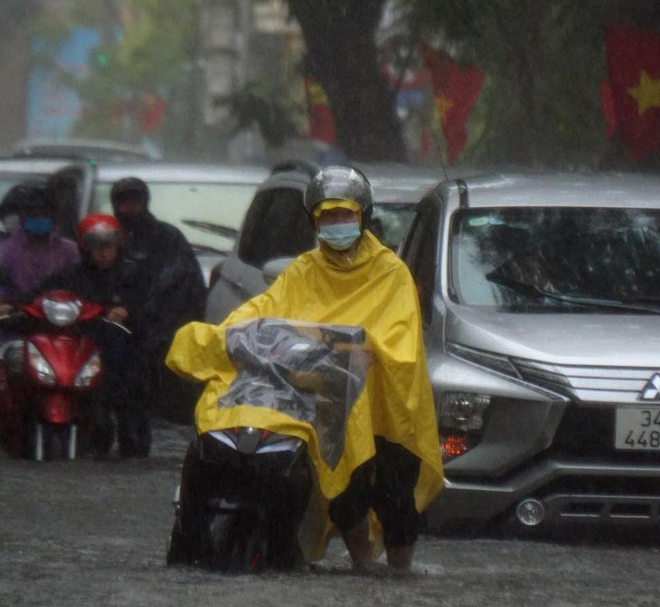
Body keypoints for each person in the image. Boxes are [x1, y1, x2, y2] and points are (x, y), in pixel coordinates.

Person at [166, 165, 443, 573]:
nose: (336, 224)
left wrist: (354, 346)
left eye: (344, 215)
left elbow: (397, 340)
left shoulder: (390, 272)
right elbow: (265, 311)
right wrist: (229, 335)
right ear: (315, 220)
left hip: (384, 402)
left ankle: (400, 572)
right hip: (326, 395)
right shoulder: (302, 271)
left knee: (394, 491)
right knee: (344, 485)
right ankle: (362, 562)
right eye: (328, 216)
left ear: (362, 217)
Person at [0, 185, 78, 445]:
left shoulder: (70, 251)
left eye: (45, 215)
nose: (40, 221)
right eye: (34, 215)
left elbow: (86, 280)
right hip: (14, 325)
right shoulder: (5, 251)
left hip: (59, 325)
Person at [33, 214, 152, 457]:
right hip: (84, 345)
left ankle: (131, 443)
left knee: (130, 403)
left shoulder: (134, 274)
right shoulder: (72, 275)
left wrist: (127, 311)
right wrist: (16, 306)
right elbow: (41, 294)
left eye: (108, 246)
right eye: (96, 246)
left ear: (118, 245)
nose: (103, 253)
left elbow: (151, 306)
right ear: (85, 248)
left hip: (125, 349)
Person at [110, 177, 206, 424]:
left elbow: (187, 286)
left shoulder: (167, 238)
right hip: (111, 326)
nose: (129, 208)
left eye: (135, 201)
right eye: (124, 202)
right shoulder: (106, 235)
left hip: (155, 329)